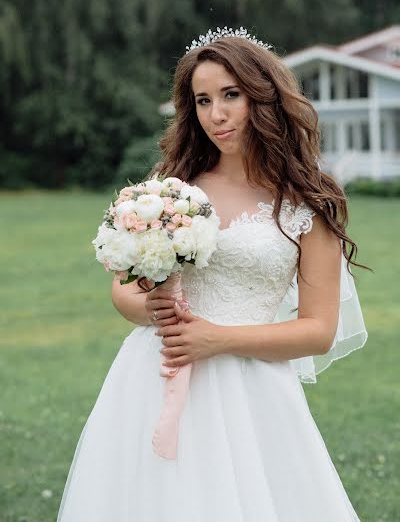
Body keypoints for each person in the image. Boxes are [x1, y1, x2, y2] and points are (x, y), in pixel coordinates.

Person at [57, 27, 368, 521]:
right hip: (152, 374)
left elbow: (319, 330)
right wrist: (148, 307)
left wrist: (216, 339)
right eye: (202, 100)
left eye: (230, 95)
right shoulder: (171, 187)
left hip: (251, 390)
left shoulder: (307, 203)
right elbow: (122, 289)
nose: (216, 115)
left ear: (262, 97)